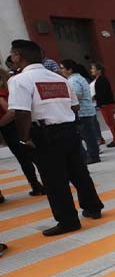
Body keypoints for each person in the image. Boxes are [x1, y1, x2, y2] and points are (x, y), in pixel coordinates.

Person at [7, 39, 104, 235]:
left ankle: (68, 221)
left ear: (18, 55)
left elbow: (22, 113)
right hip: (69, 130)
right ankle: (93, 207)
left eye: (13, 55)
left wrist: (24, 138)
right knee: (79, 172)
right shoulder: (59, 78)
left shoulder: (19, 80)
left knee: (54, 180)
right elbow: (75, 106)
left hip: (44, 135)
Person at [0, 67, 44, 196]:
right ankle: (46, 182)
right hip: (23, 124)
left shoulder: (1, 93)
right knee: (34, 155)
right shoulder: (11, 89)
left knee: (24, 159)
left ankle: (36, 185)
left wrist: (1, 123)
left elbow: (10, 110)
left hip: (10, 128)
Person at [60, 59, 100, 165]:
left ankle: (92, 155)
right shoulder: (80, 77)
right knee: (89, 134)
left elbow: (78, 95)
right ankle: (93, 154)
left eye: (63, 68)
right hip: (88, 110)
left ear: (70, 69)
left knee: (86, 135)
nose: (61, 70)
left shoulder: (73, 80)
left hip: (82, 111)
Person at [90, 63, 115, 147]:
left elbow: (102, 93)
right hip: (104, 104)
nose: (91, 70)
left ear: (99, 70)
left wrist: (94, 97)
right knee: (109, 122)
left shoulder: (102, 80)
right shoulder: (98, 79)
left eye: (93, 68)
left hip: (106, 104)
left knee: (110, 122)